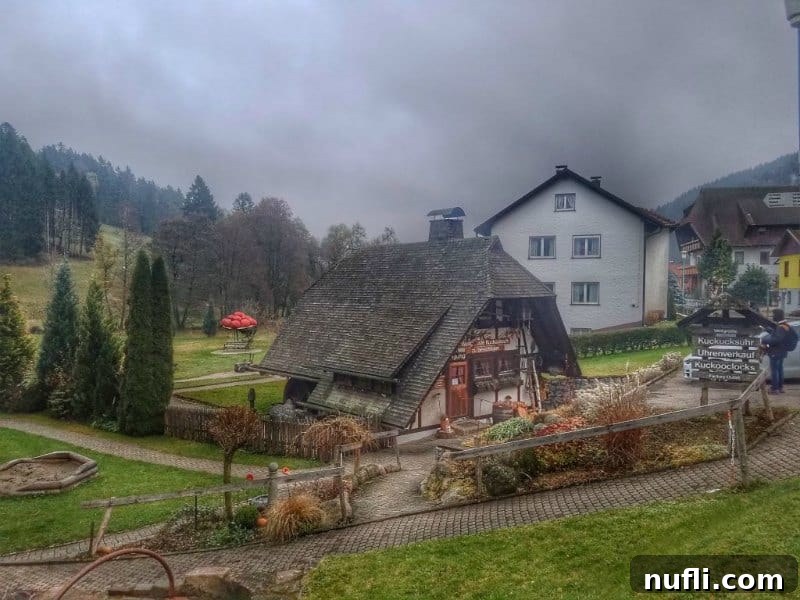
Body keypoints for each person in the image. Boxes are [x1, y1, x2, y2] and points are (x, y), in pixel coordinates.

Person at [761, 308, 791, 394]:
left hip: (776, 351)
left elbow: (776, 339)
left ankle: (775, 389)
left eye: (773, 314)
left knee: (775, 370)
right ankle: (780, 387)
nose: (772, 316)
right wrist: (768, 329)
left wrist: (764, 339)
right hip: (782, 351)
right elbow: (777, 335)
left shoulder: (781, 327)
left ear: (777, 316)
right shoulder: (784, 325)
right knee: (779, 369)